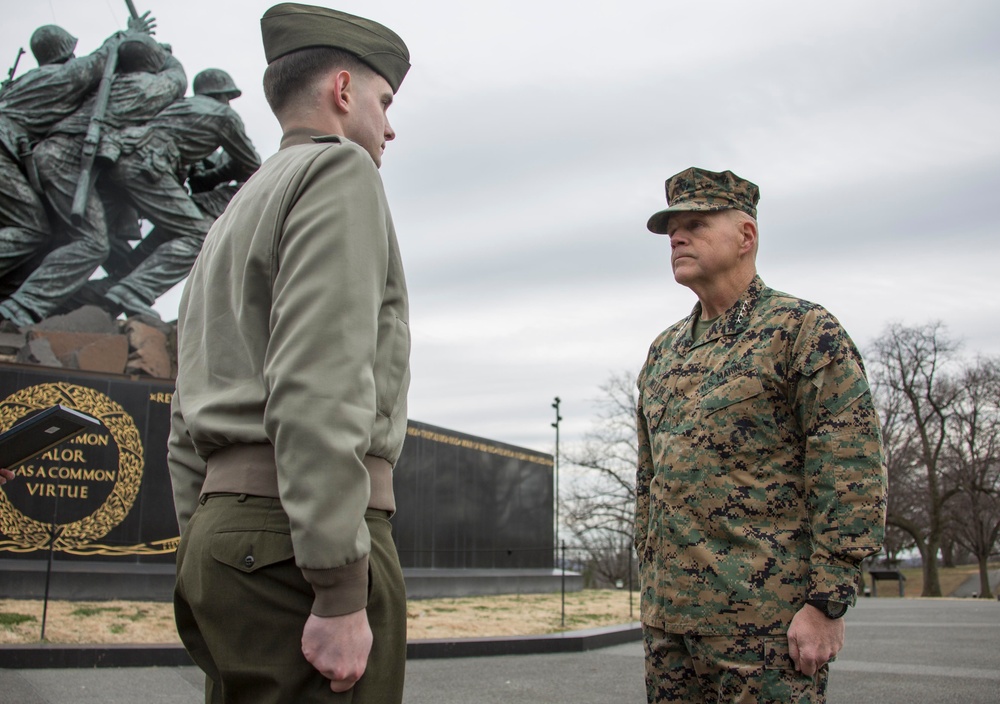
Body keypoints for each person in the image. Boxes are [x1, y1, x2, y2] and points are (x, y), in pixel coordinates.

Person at [167, 4, 411, 703]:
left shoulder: (233, 214)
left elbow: (185, 414)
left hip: (230, 541)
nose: (389, 125)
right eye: (384, 101)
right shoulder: (339, 174)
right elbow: (318, 380)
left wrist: (209, 537)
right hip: (302, 542)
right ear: (342, 91)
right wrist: (338, 586)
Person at [635, 167, 887, 703]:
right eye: (672, 229)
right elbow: (649, 478)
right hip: (670, 626)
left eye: (696, 224)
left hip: (765, 628)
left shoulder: (802, 333)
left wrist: (827, 603)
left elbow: (850, 472)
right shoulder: (664, 351)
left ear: (746, 236)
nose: (678, 238)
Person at [0, 33, 185, 326]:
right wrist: (160, 54)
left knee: (58, 236)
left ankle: (26, 297)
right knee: (81, 240)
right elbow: (176, 80)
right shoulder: (128, 85)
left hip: (42, 156)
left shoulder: (92, 88)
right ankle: (20, 307)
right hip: (60, 158)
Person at [99, 67, 261, 318]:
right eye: (227, 96)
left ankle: (107, 287)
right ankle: (134, 291)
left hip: (119, 159)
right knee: (199, 235)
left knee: (170, 229)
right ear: (220, 94)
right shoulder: (224, 116)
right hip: (146, 167)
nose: (229, 102)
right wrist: (214, 177)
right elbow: (251, 164)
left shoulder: (179, 106)